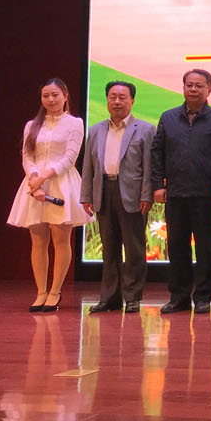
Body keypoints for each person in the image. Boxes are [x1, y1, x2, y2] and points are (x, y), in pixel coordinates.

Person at [7, 78, 90, 312]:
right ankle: (41, 292)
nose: (51, 100)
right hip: (34, 186)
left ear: (65, 96)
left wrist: (43, 177)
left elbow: (70, 158)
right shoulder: (31, 125)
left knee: (60, 239)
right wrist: (34, 180)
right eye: (46, 96)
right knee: (38, 240)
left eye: (55, 95)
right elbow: (27, 156)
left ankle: (55, 291)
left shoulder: (75, 123)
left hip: (61, 183)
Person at [151, 69, 211, 314]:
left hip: (206, 195)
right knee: (177, 247)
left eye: (199, 86)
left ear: (209, 90)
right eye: (189, 85)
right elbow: (157, 153)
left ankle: (203, 297)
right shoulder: (169, 117)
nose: (193, 89)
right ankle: (179, 297)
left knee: (205, 249)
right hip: (175, 194)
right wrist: (158, 185)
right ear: (183, 87)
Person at [80, 80, 155, 314]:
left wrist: (147, 195)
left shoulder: (145, 129)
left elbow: (149, 167)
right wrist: (86, 196)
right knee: (109, 248)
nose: (117, 102)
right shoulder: (96, 130)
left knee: (134, 249)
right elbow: (88, 166)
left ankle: (132, 297)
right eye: (112, 97)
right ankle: (110, 298)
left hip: (133, 195)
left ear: (132, 101)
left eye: (122, 97)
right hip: (104, 192)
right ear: (107, 100)